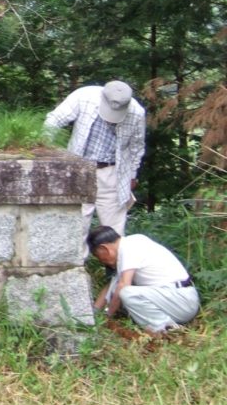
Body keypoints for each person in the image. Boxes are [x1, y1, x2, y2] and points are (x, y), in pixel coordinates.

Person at [44, 80, 145, 238]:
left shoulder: (137, 113)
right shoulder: (84, 96)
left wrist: (132, 175)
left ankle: (115, 262)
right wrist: (44, 150)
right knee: (77, 226)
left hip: (113, 173)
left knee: (114, 232)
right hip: (79, 169)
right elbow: (54, 120)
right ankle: (78, 262)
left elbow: (136, 147)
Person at [88, 226, 200, 334]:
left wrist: (107, 317)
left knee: (126, 293)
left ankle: (166, 329)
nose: (102, 262)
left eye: (99, 256)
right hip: (175, 299)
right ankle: (164, 325)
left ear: (104, 249)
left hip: (182, 300)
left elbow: (123, 286)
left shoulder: (130, 246)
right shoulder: (127, 249)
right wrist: (93, 314)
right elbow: (111, 286)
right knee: (121, 295)